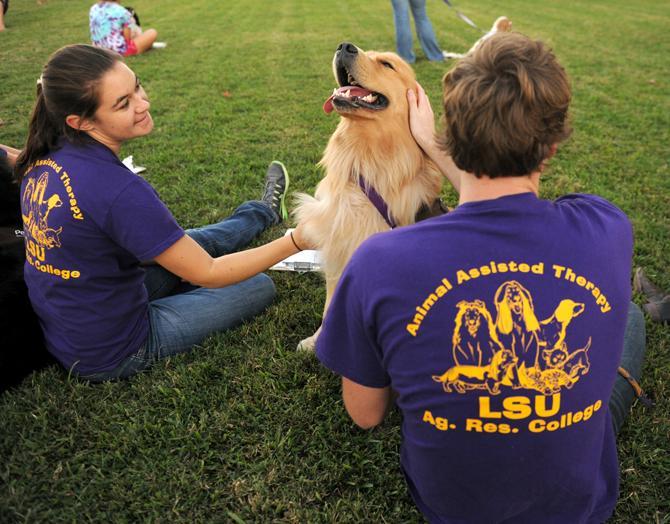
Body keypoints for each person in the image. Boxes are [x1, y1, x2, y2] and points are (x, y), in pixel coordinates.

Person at [316, 32, 646, 522]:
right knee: (631, 316)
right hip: (581, 505)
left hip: (448, 506)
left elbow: (365, 416)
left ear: (449, 131)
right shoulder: (607, 226)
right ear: (552, 147)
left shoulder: (380, 259)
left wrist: (429, 141)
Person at [8, 44, 311, 383]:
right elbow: (210, 273)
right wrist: (296, 242)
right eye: (124, 104)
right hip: (114, 350)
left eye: (136, 86)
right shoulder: (118, 189)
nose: (143, 103)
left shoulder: (40, 154)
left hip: (78, 320)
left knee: (193, 241)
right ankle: (205, 272)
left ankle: (262, 213)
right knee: (257, 286)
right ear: (80, 121)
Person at [89, 0, 157, 56]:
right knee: (152, 32)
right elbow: (128, 38)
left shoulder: (93, 9)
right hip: (119, 51)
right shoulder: (123, 12)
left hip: (99, 51)